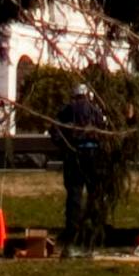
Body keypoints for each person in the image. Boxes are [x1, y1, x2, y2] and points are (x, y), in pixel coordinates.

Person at [50, 83, 105, 251]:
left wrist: (63, 145)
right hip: (93, 155)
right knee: (94, 193)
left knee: (74, 194)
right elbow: (103, 130)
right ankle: (95, 228)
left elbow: (54, 129)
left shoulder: (67, 109)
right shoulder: (96, 110)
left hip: (74, 154)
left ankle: (73, 230)